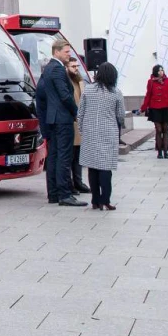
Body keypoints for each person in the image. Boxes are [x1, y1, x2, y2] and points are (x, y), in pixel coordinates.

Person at [34, 38, 86, 206]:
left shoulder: (48, 68)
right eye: (66, 52)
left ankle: (54, 194)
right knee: (64, 157)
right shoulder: (56, 69)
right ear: (56, 52)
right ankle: (64, 194)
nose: (68, 55)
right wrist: (76, 113)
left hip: (53, 118)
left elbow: (42, 94)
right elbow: (65, 95)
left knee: (55, 156)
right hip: (62, 119)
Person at [79, 62, 125, 210]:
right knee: (105, 168)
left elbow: (81, 112)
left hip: (90, 132)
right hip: (108, 132)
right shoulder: (116, 93)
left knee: (92, 167)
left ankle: (95, 200)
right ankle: (106, 199)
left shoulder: (88, 90)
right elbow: (121, 115)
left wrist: (82, 129)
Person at [140, 64, 168, 159]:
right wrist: (143, 107)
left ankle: (166, 151)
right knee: (158, 129)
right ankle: (159, 151)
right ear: (155, 72)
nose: (161, 72)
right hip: (155, 107)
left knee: (165, 129)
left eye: (162, 70)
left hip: (166, 107)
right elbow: (148, 95)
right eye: (159, 70)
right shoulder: (151, 82)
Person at [67, 56, 91, 194]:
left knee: (78, 156)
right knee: (70, 155)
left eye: (77, 66)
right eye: (73, 66)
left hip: (81, 122)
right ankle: (70, 183)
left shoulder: (80, 81)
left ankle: (78, 181)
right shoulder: (66, 81)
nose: (76, 69)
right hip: (71, 121)